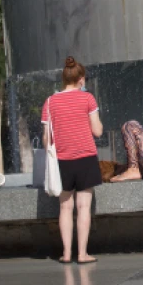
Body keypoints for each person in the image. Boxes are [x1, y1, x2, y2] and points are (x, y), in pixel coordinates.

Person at [42, 56, 104, 265]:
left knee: (65, 208)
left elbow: (46, 139)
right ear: (81, 79)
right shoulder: (88, 99)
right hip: (85, 158)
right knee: (84, 207)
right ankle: (83, 254)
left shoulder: (50, 102)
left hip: (62, 161)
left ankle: (67, 253)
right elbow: (97, 131)